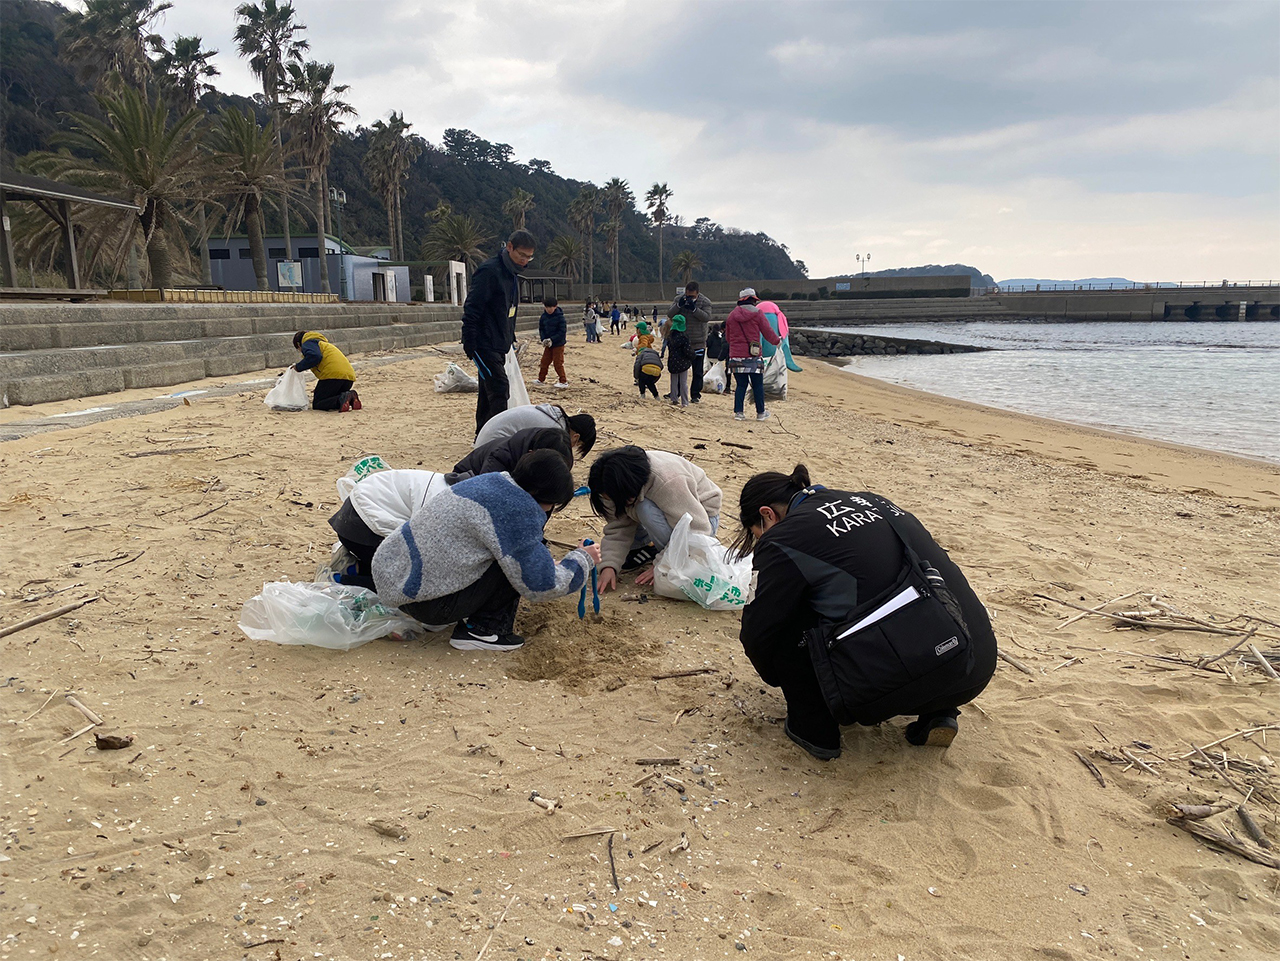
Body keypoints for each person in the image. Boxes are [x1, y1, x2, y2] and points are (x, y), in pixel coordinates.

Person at [732, 465, 997, 760]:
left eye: (758, 534)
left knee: (785, 621)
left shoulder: (784, 536)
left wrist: (777, 675)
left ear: (767, 514)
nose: (761, 539)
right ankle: (940, 713)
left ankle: (814, 729)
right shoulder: (873, 500)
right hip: (975, 662)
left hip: (910, 678)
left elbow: (758, 631)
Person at [373, 450, 600, 651]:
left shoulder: (492, 482)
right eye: (552, 504)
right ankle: (484, 631)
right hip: (430, 603)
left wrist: (546, 563)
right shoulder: (518, 510)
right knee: (512, 563)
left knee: (508, 552)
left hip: (398, 583)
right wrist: (581, 560)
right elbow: (540, 586)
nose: (550, 509)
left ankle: (438, 615)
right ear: (543, 495)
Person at [588, 446, 722, 592]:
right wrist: (609, 566)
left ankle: (671, 556)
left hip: (702, 520)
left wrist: (663, 564)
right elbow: (618, 527)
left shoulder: (669, 481)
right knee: (641, 508)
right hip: (663, 513)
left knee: (645, 508)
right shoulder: (609, 484)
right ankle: (645, 548)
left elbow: (697, 531)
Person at [462, 229, 535, 436]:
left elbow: (508, 310)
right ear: (509, 247)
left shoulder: (512, 274)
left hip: (500, 342)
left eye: (529, 257)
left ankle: (482, 434)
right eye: (522, 255)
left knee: (488, 392)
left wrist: (510, 337)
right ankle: (497, 436)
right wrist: (470, 342)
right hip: (483, 343)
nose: (525, 260)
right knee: (499, 388)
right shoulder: (489, 271)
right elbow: (472, 307)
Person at [328, 469, 451, 587]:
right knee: (410, 581)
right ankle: (337, 582)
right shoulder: (443, 501)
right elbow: (425, 550)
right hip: (361, 526)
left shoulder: (450, 486)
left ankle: (355, 569)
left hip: (354, 516)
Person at [725, 287, 781, 422]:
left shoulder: (732, 315)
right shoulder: (758, 313)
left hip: (736, 355)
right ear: (752, 300)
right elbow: (767, 331)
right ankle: (760, 413)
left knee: (741, 385)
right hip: (753, 355)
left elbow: (728, 337)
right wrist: (777, 342)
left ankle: (739, 413)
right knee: (757, 385)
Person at [472, 402, 596, 459]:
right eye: (577, 445)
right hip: (489, 453)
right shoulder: (554, 430)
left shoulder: (554, 415)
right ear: (576, 437)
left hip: (484, 445)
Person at [452, 426, 573, 480]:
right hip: (465, 484)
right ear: (532, 454)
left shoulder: (558, 454)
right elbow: (487, 496)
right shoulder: (500, 458)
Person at [665, 281, 712, 404]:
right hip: (681, 340)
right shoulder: (678, 299)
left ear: (697, 293)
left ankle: (695, 394)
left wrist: (694, 309)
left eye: (692, 296)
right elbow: (670, 314)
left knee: (697, 370)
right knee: (679, 368)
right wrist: (679, 305)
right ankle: (676, 393)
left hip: (698, 341)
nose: (689, 298)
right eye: (687, 295)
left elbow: (707, 317)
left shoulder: (705, 302)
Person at [292, 331, 360, 412]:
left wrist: (298, 367)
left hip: (333, 376)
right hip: (348, 378)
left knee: (318, 404)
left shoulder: (308, 342)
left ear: (299, 344)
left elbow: (315, 356)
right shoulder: (323, 344)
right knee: (329, 398)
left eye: (298, 349)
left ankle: (342, 398)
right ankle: (350, 397)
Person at [536, 296, 569, 388]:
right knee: (544, 362)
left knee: (558, 363)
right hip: (548, 344)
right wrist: (543, 339)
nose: (549, 309)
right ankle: (540, 379)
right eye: (547, 307)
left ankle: (563, 381)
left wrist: (552, 339)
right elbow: (541, 329)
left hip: (558, 344)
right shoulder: (543, 316)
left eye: (551, 307)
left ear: (555, 306)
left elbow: (562, 332)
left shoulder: (560, 318)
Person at [665, 315, 695, 408]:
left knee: (673, 381)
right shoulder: (684, 337)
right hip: (683, 362)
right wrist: (693, 356)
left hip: (672, 361)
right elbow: (687, 350)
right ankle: (684, 401)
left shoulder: (670, 336)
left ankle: (674, 398)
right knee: (683, 382)